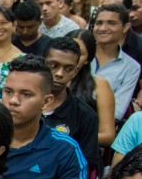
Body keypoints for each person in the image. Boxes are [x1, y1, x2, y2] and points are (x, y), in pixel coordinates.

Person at [0, 55, 89, 179]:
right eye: (8, 91)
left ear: (46, 102)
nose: (13, 100)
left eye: (26, 94)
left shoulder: (65, 150)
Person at [41, 37, 100, 168]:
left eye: (68, 68)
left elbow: (85, 166)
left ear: (75, 72)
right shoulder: (21, 103)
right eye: (53, 66)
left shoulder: (85, 116)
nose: (59, 73)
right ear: (42, 64)